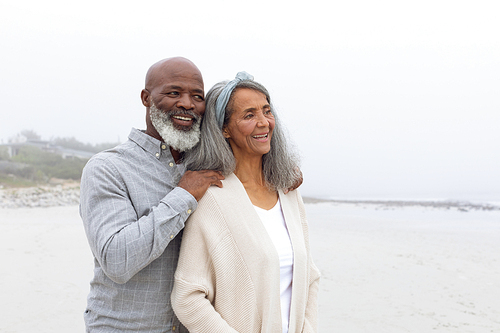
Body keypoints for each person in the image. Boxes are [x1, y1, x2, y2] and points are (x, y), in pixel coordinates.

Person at [79, 57, 225, 332]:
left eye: (197, 96)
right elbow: (117, 260)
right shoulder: (108, 168)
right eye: (173, 93)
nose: (187, 103)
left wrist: (280, 175)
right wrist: (184, 195)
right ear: (146, 98)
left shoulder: (206, 168)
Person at [171, 72, 320, 332]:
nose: (264, 123)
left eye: (266, 111)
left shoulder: (288, 191)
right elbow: (187, 297)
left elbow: (310, 277)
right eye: (249, 115)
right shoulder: (212, 198)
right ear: (225, 129)